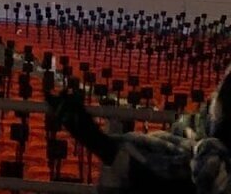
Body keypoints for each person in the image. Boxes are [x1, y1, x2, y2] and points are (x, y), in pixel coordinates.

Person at [46, 62, 231, 193]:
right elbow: (165, 177)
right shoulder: (192, 144)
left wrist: (100, 143)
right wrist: (97, 141)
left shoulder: (210, 162)